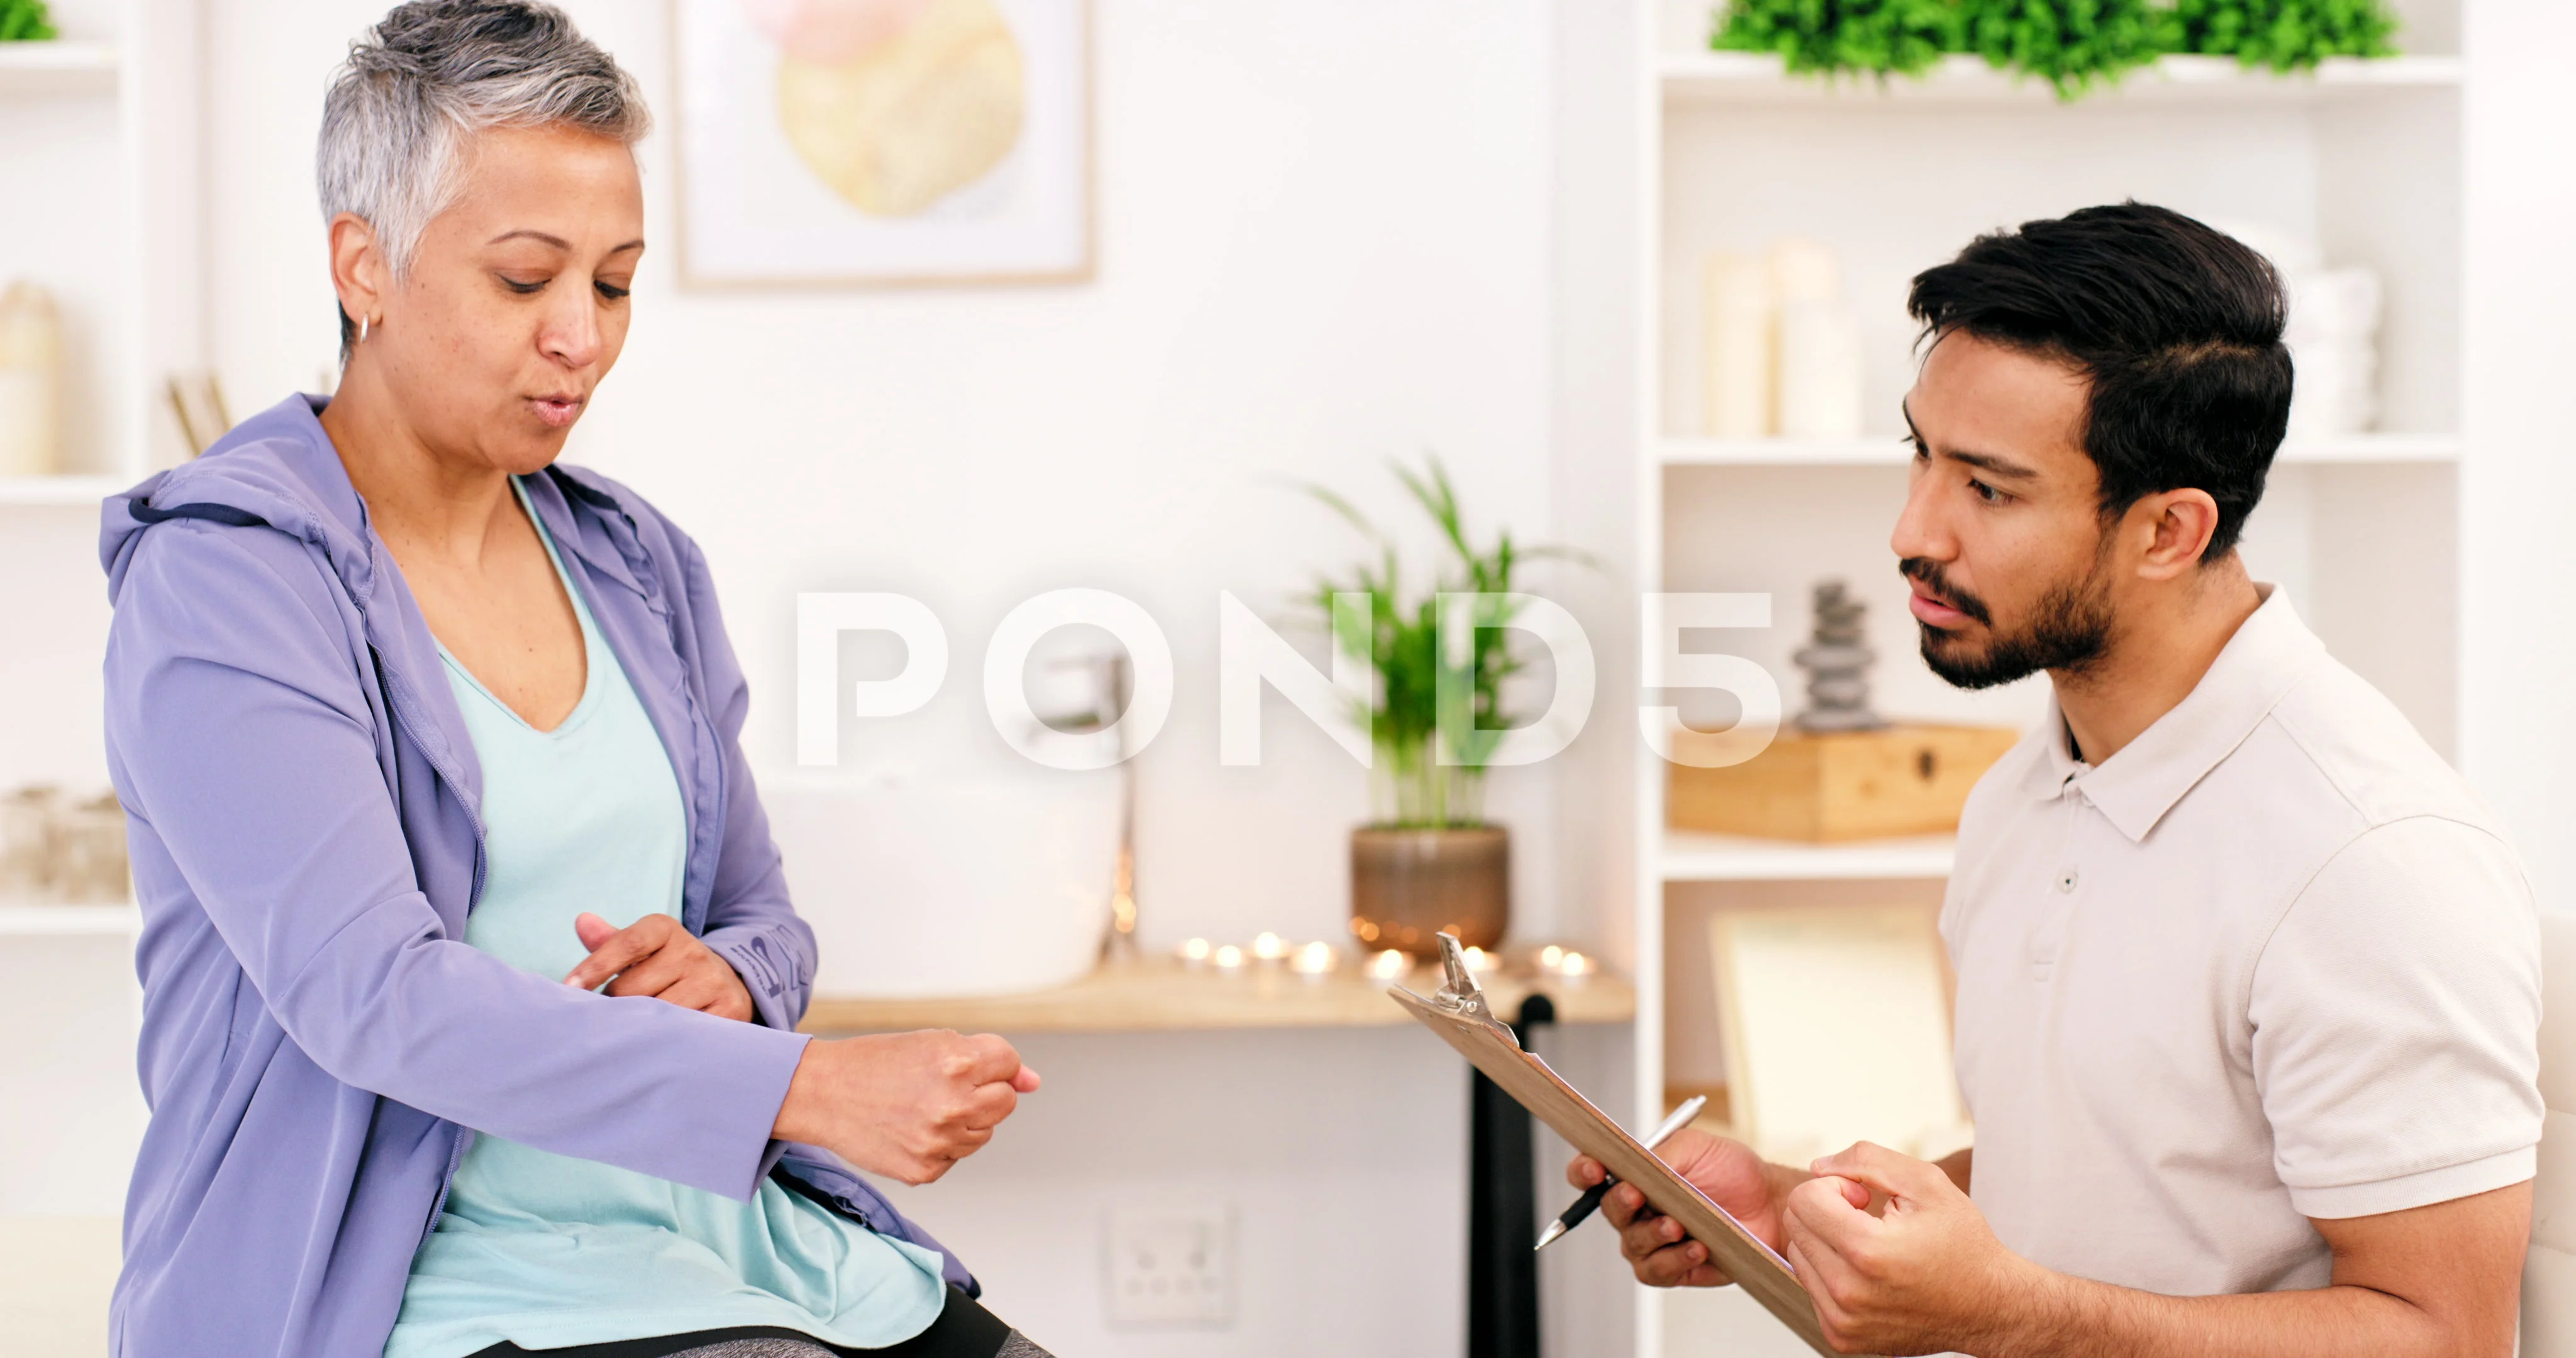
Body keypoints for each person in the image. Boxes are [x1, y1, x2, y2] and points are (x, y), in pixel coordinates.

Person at [99, 5, 1052, 1355]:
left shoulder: (634, 562)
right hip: (418, 1294)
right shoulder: (229, 580)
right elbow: (374, 996)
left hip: (714, 1243)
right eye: (524, 278)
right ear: (363, 265)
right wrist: (799, 1086)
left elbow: (759, 911)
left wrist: (726, 980)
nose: (581, 339)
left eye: (611, 284)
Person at [1572, 204, 2542, 1356]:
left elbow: (2447, 1337)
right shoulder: (2031, 789)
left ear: (2168, 531)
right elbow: (2112, 1173)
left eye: (1988, 489)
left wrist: (2008, 1313)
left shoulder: (2371, 857)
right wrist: (1794, 1214)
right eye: (1920, 454)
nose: (1911, 531)